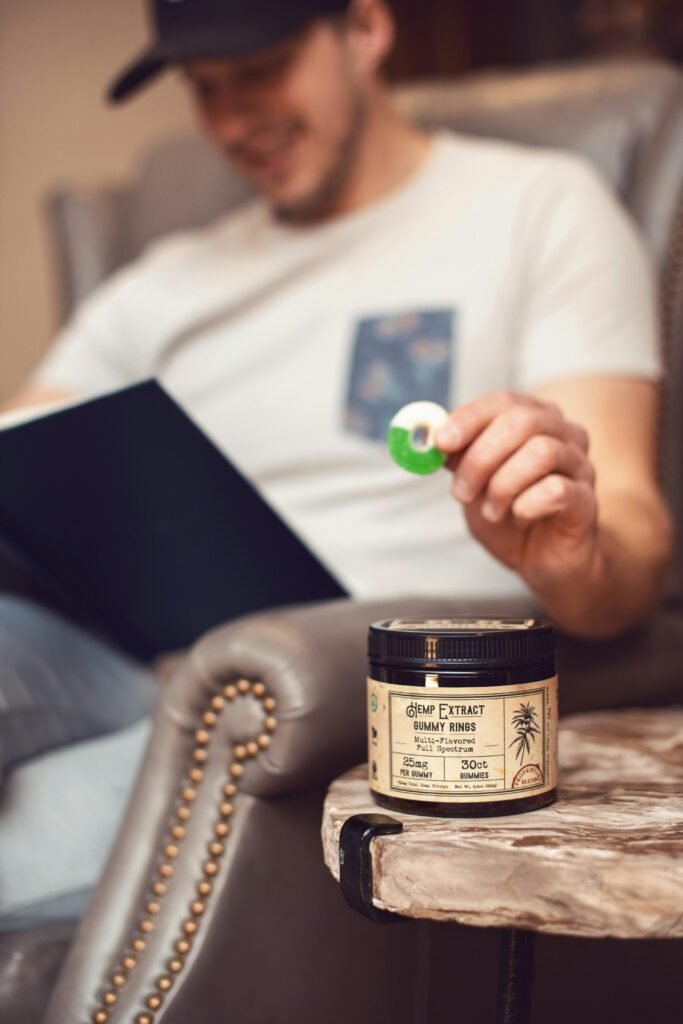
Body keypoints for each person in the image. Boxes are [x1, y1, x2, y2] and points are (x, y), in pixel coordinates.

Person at [0, 0, 672, 925]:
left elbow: (630, 547)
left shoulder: (536, 206)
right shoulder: (158, 285)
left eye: (262, 69)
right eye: (205, 90)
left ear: (363, 28)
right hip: (131, 648)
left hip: (328, 687)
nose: (233, 121)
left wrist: (575, 554)